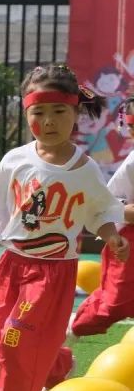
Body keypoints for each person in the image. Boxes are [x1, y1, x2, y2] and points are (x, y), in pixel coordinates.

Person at [0, 64, 128, 391]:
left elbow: (102, 210)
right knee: (0, 336)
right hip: (11, 263)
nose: (49, 122)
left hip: (53, 272)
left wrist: (112, 236)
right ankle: (58, 364)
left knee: (16, 336)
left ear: (76, 112)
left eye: (59, 112)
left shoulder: (85, 170)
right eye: (39, 112)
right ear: (27, 113)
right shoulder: (15, 160)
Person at [67, 96, 134, 341]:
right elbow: (111, 205)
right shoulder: (132, 165)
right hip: (129, 240)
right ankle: (71, 331)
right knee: (116, 301)